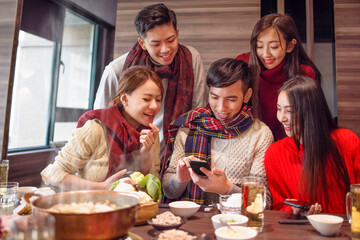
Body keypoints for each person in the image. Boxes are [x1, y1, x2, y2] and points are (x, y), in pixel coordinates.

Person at [94, 3, 208, 158]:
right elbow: (99, 122)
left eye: (170, 40)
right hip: (130, 158)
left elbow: (198, 111)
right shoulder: (117, 70)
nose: (165, 49)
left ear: (177, 33)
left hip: (177, 155)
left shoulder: (191, 59)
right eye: (156, 43)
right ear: (142, 43)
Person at [162, 58, 273, 205]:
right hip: (192, 220)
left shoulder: (260, 135)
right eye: (214, 97)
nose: (221, 108)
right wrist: (179, 181)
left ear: (247, 95)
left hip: (237, 223)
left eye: (231, 100)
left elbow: (264, 201)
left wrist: (227, 188)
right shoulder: (190, 127)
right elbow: (168, 191)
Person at [41, 66, 164, 191]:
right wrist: (102, 187)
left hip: (131, 208)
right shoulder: (96, 128)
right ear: (125, 99)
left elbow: (151, 182)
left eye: (158, 100)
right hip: (91, 206)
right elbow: (54, 173)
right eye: (146, 99)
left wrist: (145, 154)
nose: (154, 106)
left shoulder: (150, 133)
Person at [265, 75, 360, 215]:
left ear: (311, 111)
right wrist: (294, 210)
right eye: (279, 109)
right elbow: (279, 207)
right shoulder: (275, 153)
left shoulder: (347, 140)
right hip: (301, 232)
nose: (281, 118)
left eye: (289, 111)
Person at [236, 13, 322, 141]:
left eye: (274, 47)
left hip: (289, 144)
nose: (265, 54)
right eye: (259, 46)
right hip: (249, 143)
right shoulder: (243, 64)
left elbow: (309, 122)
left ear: (290, 46)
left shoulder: (304, 73)